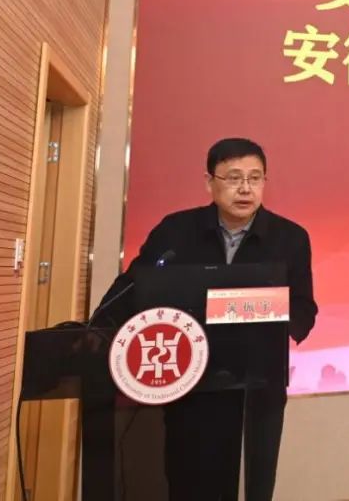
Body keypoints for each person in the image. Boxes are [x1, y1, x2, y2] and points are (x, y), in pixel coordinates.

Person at [95, 138, 317, 501]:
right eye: (233, 177)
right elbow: (133, 288)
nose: (245, 188)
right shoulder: (175, 231)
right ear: (209, 182)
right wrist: (95, 331)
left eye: (255, 178)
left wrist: (267, 313)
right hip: (188, 386)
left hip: (256, 389)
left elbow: (305, 310)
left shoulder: (290, 238)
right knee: (188, 482)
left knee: (251, 486)